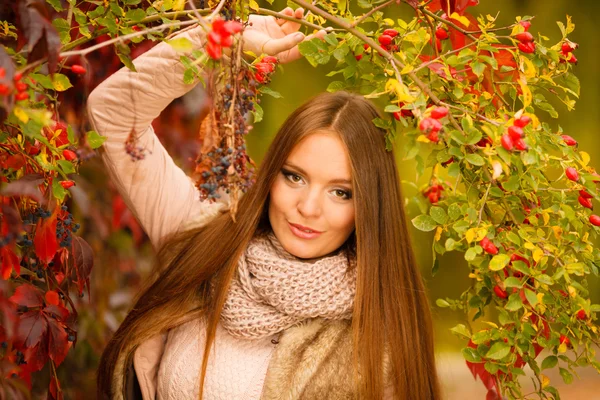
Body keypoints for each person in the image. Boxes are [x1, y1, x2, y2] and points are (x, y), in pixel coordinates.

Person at [88, 6, 441, 400]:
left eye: (341, 192)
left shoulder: (382, 339)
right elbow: (113, 115)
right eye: (295, 176)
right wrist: (220, 38)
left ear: (370, 209)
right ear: (271, 174)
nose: (308, 207)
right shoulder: (203, 242)